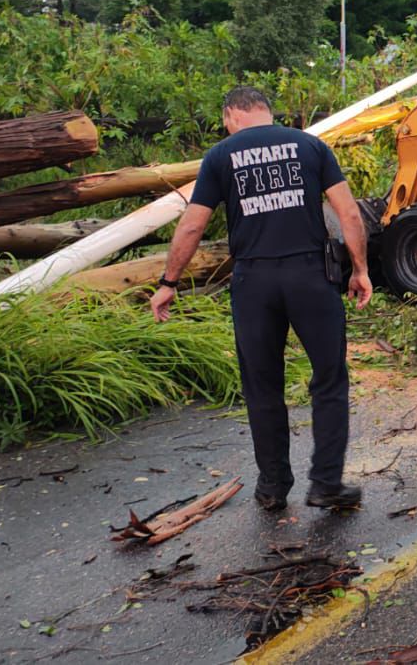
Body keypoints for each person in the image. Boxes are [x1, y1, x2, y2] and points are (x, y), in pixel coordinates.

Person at [150, 86, 373, 511]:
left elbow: (193, 226)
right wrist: (359, 270)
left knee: (262, 384)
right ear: (266, 111)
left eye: (225, 121)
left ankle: (272, 487)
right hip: (310, 275)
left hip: (253, 280)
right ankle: (325, 483)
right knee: (329, 378)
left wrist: (169, 282)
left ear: (232, 113)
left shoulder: (221, 156)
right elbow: (347, 213)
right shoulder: (311, 146)